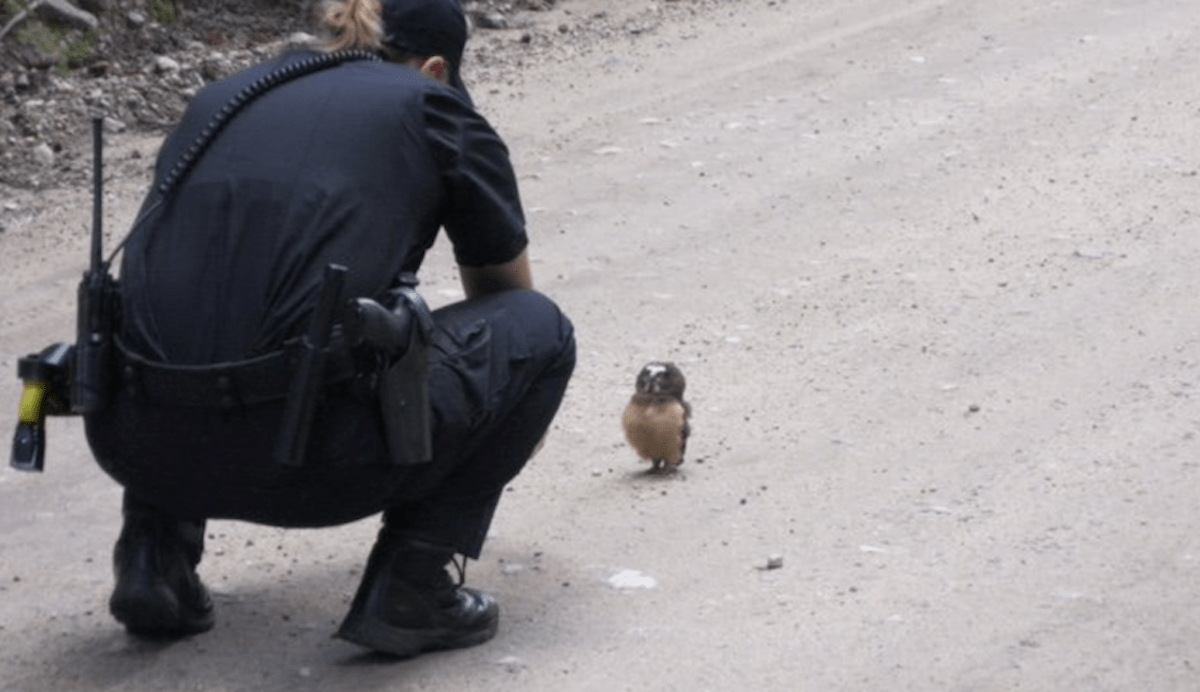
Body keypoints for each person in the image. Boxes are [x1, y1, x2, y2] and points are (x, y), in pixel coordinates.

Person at [82, 0, 575, 659]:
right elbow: (507, 299)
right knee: (540, 332)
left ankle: (153, 560)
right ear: (435, 68)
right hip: (311, 463)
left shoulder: (222, 100)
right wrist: (506, 420)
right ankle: (413, 586)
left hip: (134, 443)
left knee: (206, 305)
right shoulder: (432, 105)